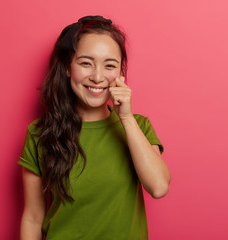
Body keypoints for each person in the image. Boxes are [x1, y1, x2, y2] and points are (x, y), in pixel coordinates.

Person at [18, 15, 171, 240]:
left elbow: (158, 187)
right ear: (68, 67)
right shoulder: (39, 133)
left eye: (109, 65)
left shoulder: (138, 126)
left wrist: (126, 118)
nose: (98, 77)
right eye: (86, 63)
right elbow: (32, 218)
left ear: (120, 73)